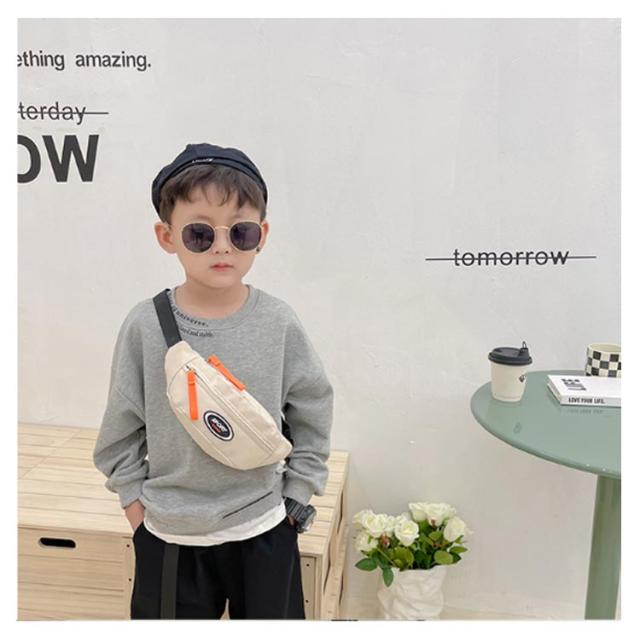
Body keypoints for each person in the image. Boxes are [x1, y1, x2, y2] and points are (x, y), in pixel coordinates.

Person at [92, 143, 334, 619]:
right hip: (169, 535)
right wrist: (136, 510)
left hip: (265, 527)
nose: (223, 247)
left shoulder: (279, 322)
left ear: (261, 235)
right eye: (200, 234)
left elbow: (313, 407)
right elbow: (119, 431)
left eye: (240, 232)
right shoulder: (145, 325)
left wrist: (297, 497)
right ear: (167, 236)